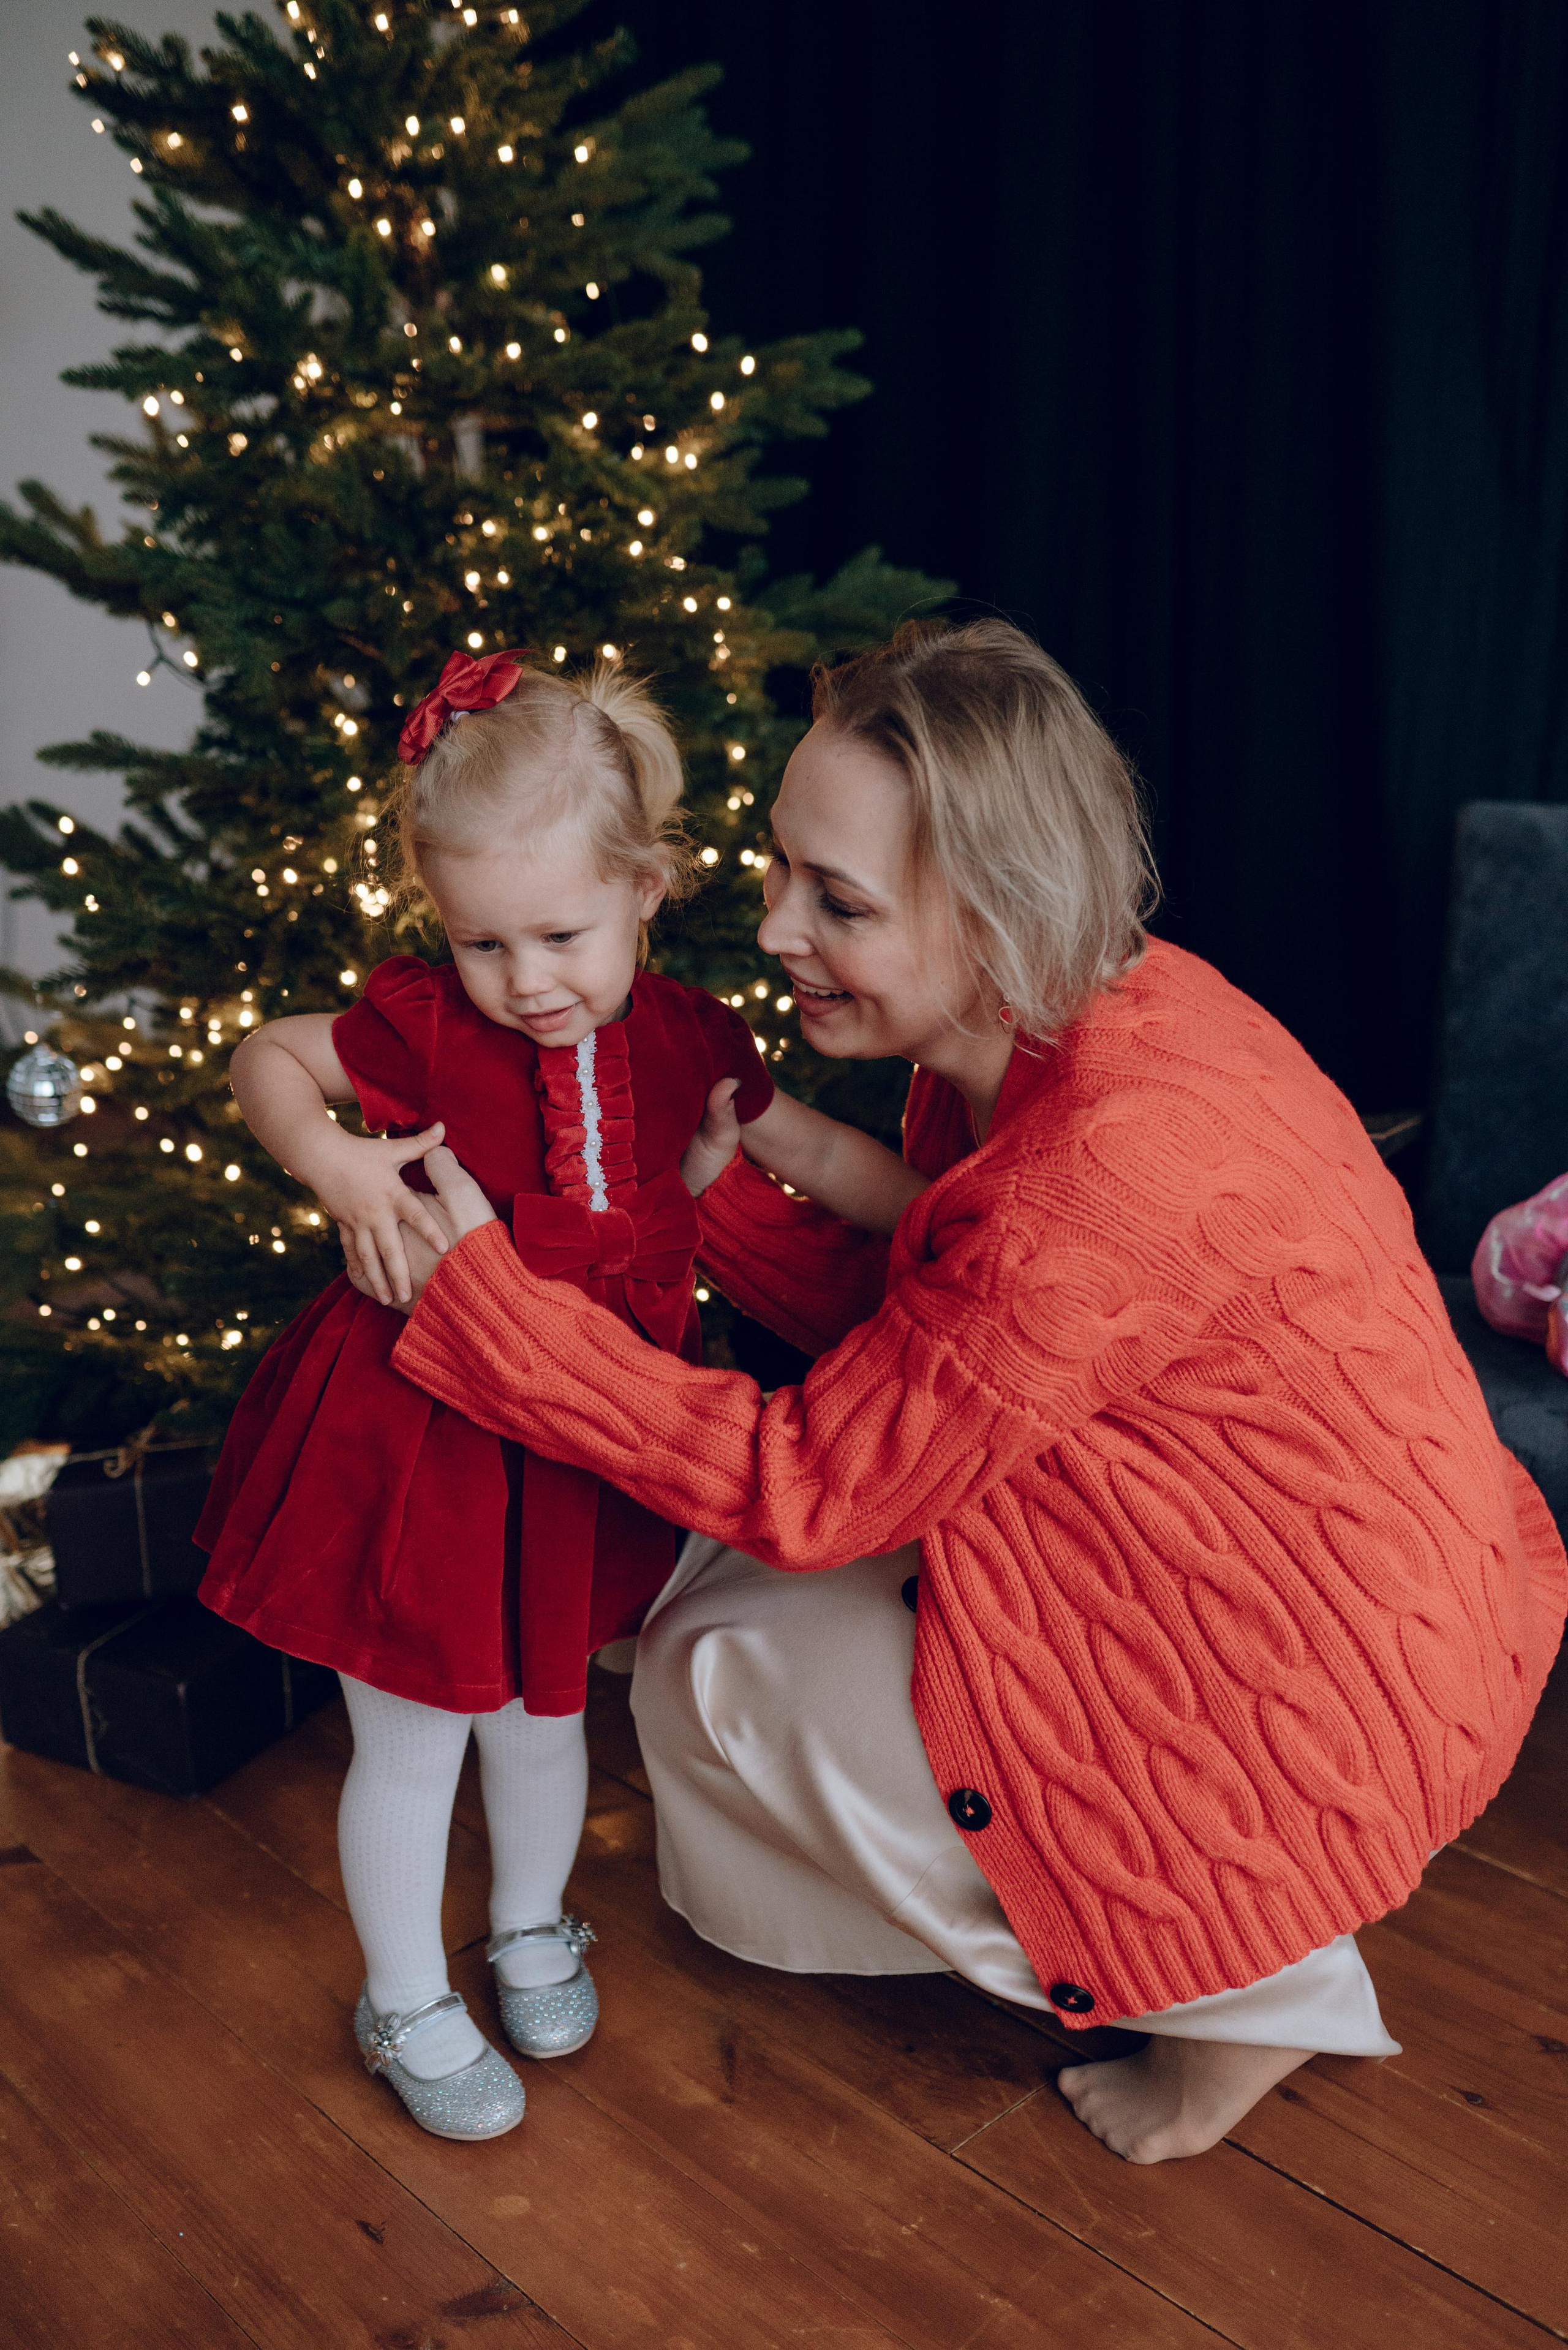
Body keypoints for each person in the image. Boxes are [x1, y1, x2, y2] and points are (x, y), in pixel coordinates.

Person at [366, 617, 1567, 2164]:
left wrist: (489, 1308)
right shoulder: (1099, 1005)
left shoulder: (1103, 1168)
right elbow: (956, 1337)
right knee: (703, 1610)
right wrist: (729, 1181)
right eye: (780, 866)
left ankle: (1245, 1977)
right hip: (1361, 1564)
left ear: (995, 912)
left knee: (713, 1660)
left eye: (838, 900)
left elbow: (817, 1479)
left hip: (1301, 1661)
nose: (779, 928)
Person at [195, 647, 922, 2141]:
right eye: (481, 943)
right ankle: (403, 1990)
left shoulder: (690, 1037)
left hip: (585, 1433)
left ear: (646, 888)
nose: (525, 980)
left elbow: (830, 1162)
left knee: (539, 1712)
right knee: (412, 1729)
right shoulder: (421, 1026)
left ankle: (528, 1921)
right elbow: (268, 1054)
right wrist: (333, 1162)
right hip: (423, 1431)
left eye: (559, 934)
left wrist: (961, 1222)